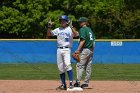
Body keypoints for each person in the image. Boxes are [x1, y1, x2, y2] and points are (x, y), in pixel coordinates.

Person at [47, 15, 78, 90]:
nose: (62, 22)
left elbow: (76, 34)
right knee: (60, 68)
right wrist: (49, 27)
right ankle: (63, 85)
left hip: (67, 49)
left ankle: (71, 84)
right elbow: (49, 34)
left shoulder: (70, 29)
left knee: (67, 65)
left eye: (64, 20)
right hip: (59, 50)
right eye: (61, 20)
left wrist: (71, 27)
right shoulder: (58, 29)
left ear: (67, 22)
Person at [73, 17, 95, 88]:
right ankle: (86, 83)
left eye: (81, 22)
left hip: (85, 49)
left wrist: (77, 50)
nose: (79, 23)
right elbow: (93, 42)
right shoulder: (90, 30)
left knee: (79, 65)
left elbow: (83, 40)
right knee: (88, 66)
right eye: (79, 22)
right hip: (91, 50)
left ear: (85, 22)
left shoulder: (82, 29)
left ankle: (77, 82)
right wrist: (91, 50)